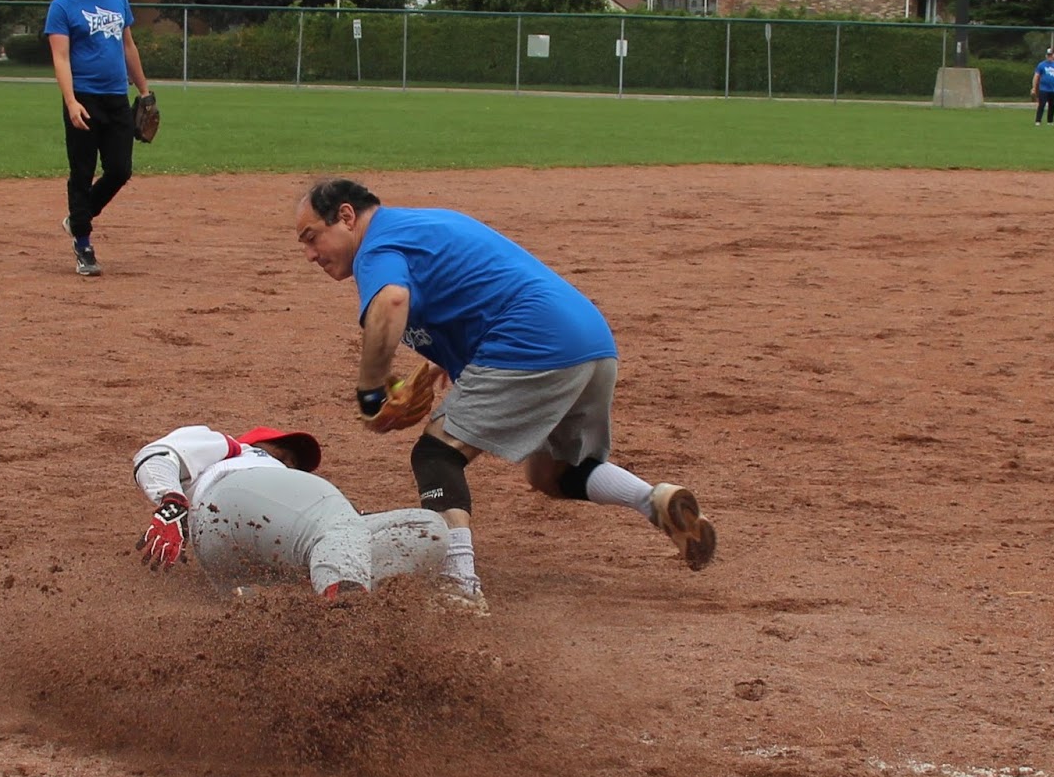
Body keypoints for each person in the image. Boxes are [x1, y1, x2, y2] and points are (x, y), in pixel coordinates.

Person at [294, 178, 717, 610]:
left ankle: (460, 585)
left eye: (312, 237)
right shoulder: (420, 225)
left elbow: (392, 302)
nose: (310, 254)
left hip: (532, 343)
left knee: (437, 454)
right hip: (590, 342)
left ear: (346, 216)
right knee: (551, 473)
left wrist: (370, 390)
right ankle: (654, 500)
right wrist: (444, 359)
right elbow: (476, 284)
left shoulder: (375, 247)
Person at [133, 424, 451, 602]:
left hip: (237, 558)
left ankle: (296, 604)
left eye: (295, 466)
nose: (291, 465)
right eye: (282, 454)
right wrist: (172, 501)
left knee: (427, 529)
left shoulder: (303, 505)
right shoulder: (233, 449)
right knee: (335, 521)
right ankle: (347, 617)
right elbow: (157, 454)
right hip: (234, 497)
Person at [45, 0, 151, 277]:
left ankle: (78, 218)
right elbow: (61, 58)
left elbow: (128, 46)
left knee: (120, 169)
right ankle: (84, 245)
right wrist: (71, 101)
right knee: (82, 172)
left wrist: (145, 91)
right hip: (84, 98)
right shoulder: (63, 5)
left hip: (116, 96)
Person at [1031, 48, 1054, 125]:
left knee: (1052, 105)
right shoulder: (1041, 65)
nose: (1049, 57)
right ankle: (1038, 120)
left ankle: (1050, 121)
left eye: (1051, 55)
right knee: (1041, 104)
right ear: (1046, 56)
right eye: (1048, 55)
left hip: (1053, 89)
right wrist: (1034, 87)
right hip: (1043, 89)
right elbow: (1036, 76)